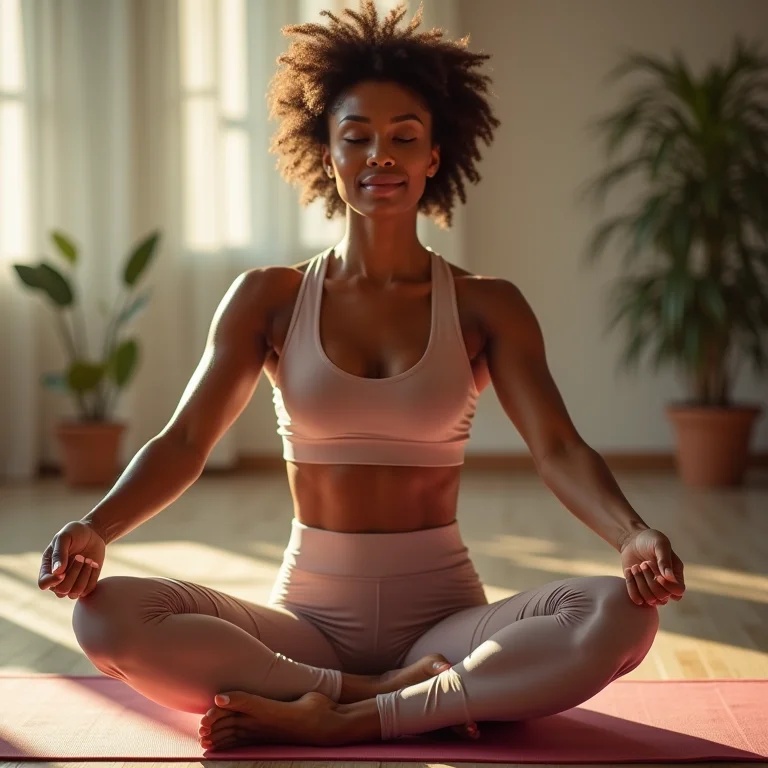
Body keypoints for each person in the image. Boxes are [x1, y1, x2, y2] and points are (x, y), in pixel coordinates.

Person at [37, 0, 686, 749]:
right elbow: (185, 441)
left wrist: (634, 535)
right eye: (358, 138)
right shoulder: (269, 298)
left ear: (434, 157)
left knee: (622, 616)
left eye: (404, 138)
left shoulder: (486, 305)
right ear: (328, 152)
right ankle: (380, 694)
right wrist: (98, 526)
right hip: (305, 624)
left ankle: (343, 716)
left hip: (446, 618)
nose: (381, 156)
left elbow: (559, 450)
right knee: (105, 615)